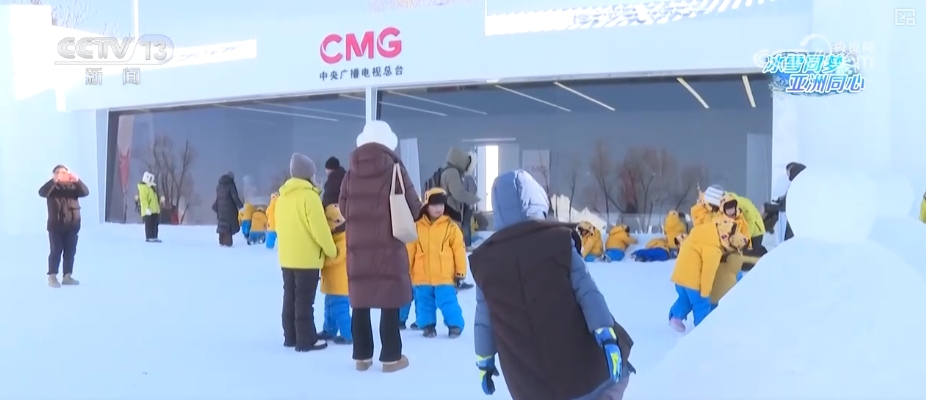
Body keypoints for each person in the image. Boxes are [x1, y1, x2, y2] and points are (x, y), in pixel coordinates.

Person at [470, 169, 634, 400]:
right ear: (536, 201)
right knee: (611, 383)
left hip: (529, 384)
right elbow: (587, 291)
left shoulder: (486, 261)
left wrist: (484, 359)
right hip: (582, 370)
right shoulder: (557, 241)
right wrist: (605, 332)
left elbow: (483, 318)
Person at [339, 120, 422, 373]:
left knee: (360, 302)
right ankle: (391, 358)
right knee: (389, 299)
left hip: (358, 247)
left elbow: (343, 207)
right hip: (388, 246)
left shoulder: (350, 173)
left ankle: (362, 357)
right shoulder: (395, 168)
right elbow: (414, 207)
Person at [276, 153, 337, 352]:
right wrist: (332, 250)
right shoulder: (310, 197)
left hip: (287, 257)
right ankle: (306, 340)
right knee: (304, 301)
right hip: (307, 259)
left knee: (290, 297)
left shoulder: (282, 197)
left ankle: (290, 336)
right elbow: (320, 230)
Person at [668, 216, 748, 332]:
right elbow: (708, 272)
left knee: (685, 299)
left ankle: (675, 318)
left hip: (679, 277)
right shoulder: (713, 250)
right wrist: (705, 292)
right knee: (702, 303)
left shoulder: (701, 234)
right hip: (693, 281)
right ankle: (702, 330)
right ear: (726, 238)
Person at [406, 188, 467, 338]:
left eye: (441, 205)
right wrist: (406, 271)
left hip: (444, 275)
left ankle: (455, 325)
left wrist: (460, 272)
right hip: (421, 275)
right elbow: (410, 250)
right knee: (424, 302)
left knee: (448, 301)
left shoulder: (451, 227)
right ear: (426, 206)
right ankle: (427, 326)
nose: (438, 208)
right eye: (434, 205)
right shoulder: (416, 227)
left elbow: (459, 250)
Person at [39, 164, 89, 288]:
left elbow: (85, 192)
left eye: (63, 173)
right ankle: (52, 277)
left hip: (72, 225)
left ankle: (67, 276)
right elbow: (42, 192)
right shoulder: (52, 188)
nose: (60, 175)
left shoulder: (73, 187)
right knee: (56, 251)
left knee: (70, 252)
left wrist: (77, 180)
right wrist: (53, 182)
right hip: (55, 226)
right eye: (57, 173)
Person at [319, 204, 352, 344]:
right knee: (329, 308)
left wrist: (320, 260)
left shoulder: (343, 239)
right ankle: (329, 330)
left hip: (340, 285)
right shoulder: (335, 238)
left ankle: (348, 334)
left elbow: (335, 256)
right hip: (332, 283)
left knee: (340, 310)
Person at [439, 146, 480, 224]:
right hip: (451, 213)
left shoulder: (446, 170)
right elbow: (458, 193)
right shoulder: (452, 172)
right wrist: (476, 200)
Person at [212, 172, 244, 247]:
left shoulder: (219, 186)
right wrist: (241, 206)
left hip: (220, 209)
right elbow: (235, 197)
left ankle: (221, 241)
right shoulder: (231, 185)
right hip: (229, 209)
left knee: (222, 224)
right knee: (228, 226)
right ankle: (227, 243)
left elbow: (218, 198)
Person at [137, 171, 162, 242]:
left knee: (155, 224)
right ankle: (150, 237)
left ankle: (154, 236)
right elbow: (143, 199)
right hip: (148, 211)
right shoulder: (143, 188)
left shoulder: (151, 187)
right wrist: (146, 208)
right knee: (149, 224)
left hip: (154, 211)